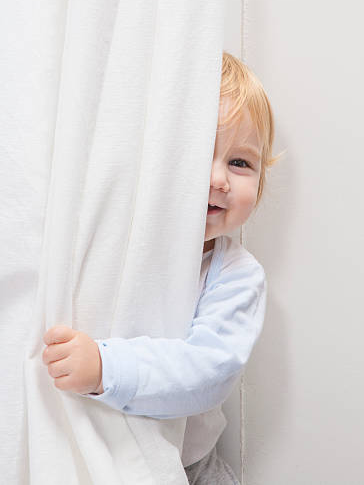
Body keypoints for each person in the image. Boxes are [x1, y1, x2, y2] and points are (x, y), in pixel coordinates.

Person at [42, 51, 280, 484]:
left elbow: (206, 372)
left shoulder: (237, 275)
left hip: (191, 468)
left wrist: (105, 368)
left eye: (240, 162)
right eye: (199, 153)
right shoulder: (121, 249)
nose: (219, 179)